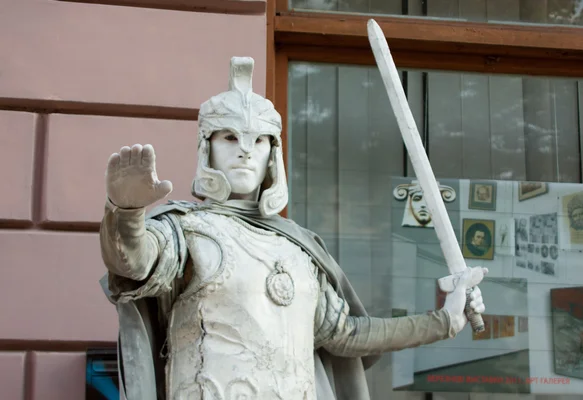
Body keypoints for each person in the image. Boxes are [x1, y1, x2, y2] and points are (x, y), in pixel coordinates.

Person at [99, 57, 487, 400]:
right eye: (230, 137)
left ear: (273, 152)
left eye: (259, 140)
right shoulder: (187, 231)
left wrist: (444, 320)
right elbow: (134, 263)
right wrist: (127, 213)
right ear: (208, 147)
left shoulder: (298, 248)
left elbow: (347, 334)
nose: (245, 150)